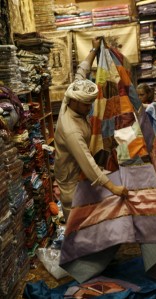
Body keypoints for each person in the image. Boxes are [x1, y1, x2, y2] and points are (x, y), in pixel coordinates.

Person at [54, 37, 128, 221]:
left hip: (81, 171)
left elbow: (81, 73)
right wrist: (113, 188)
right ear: (75, 102)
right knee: (77, 221)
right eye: (87, 106)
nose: (90, 109)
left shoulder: (71, 96)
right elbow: (87, 162)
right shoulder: (71, 130)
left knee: (93, 215)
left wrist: (94, 51)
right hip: (70, 179)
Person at [136, 83, 156, 156]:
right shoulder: (139, 109)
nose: (139, 97)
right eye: (137, 95)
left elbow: (150, 107)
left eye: (142, 95)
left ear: (148, 94)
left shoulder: (154, 106)